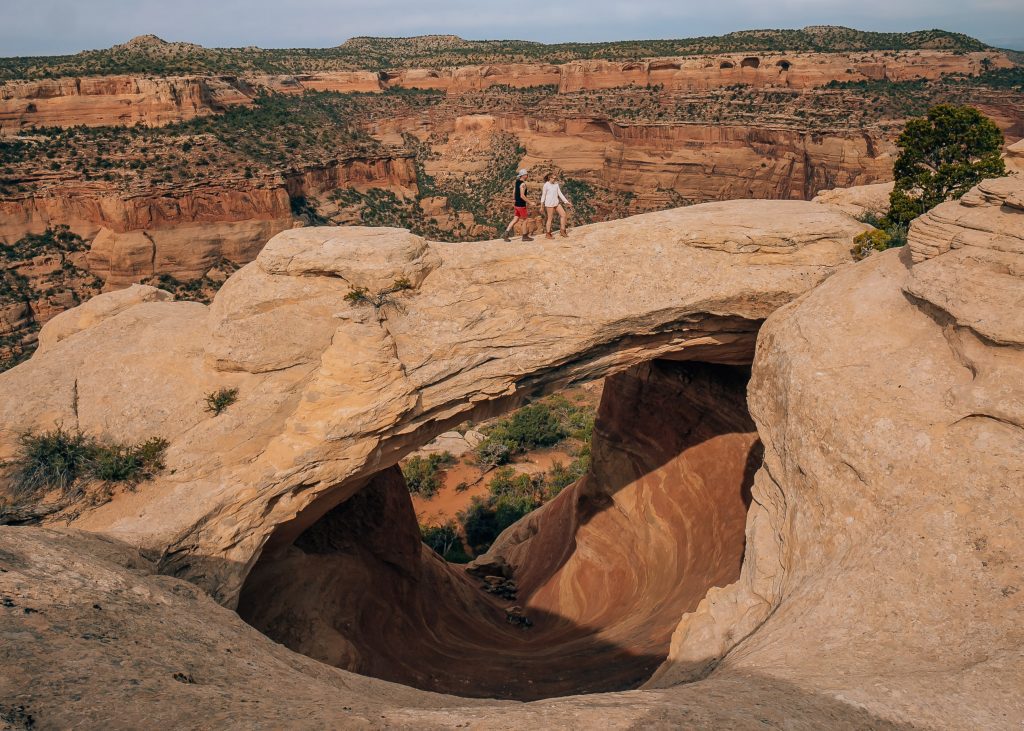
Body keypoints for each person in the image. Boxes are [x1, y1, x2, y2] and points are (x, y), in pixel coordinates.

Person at [502, 169, 533, 242]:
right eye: (526, 174)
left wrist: (514, 199)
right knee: (525, 220)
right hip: (521, 205)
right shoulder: (523, 184)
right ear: (523, 175)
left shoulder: (517, 182)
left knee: (515, 219)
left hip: (516, 204)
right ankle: (525, 236)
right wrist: (530, 202)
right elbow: (522, 195)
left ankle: (506, 233)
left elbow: (514, 191)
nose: (527, 175)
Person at [541, 172, 573, 238]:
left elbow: (560, 194)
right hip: (549, 204)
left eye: (556, 178)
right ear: (550, 178)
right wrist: (541, 206)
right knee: (550, 218)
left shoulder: (556, 184)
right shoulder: (546, 185)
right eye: (554, 178)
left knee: (563, 214)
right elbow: (543, 195)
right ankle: (548, 234)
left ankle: (562, 231)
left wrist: (566, 202)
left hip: (556, 202)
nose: (555, 179)